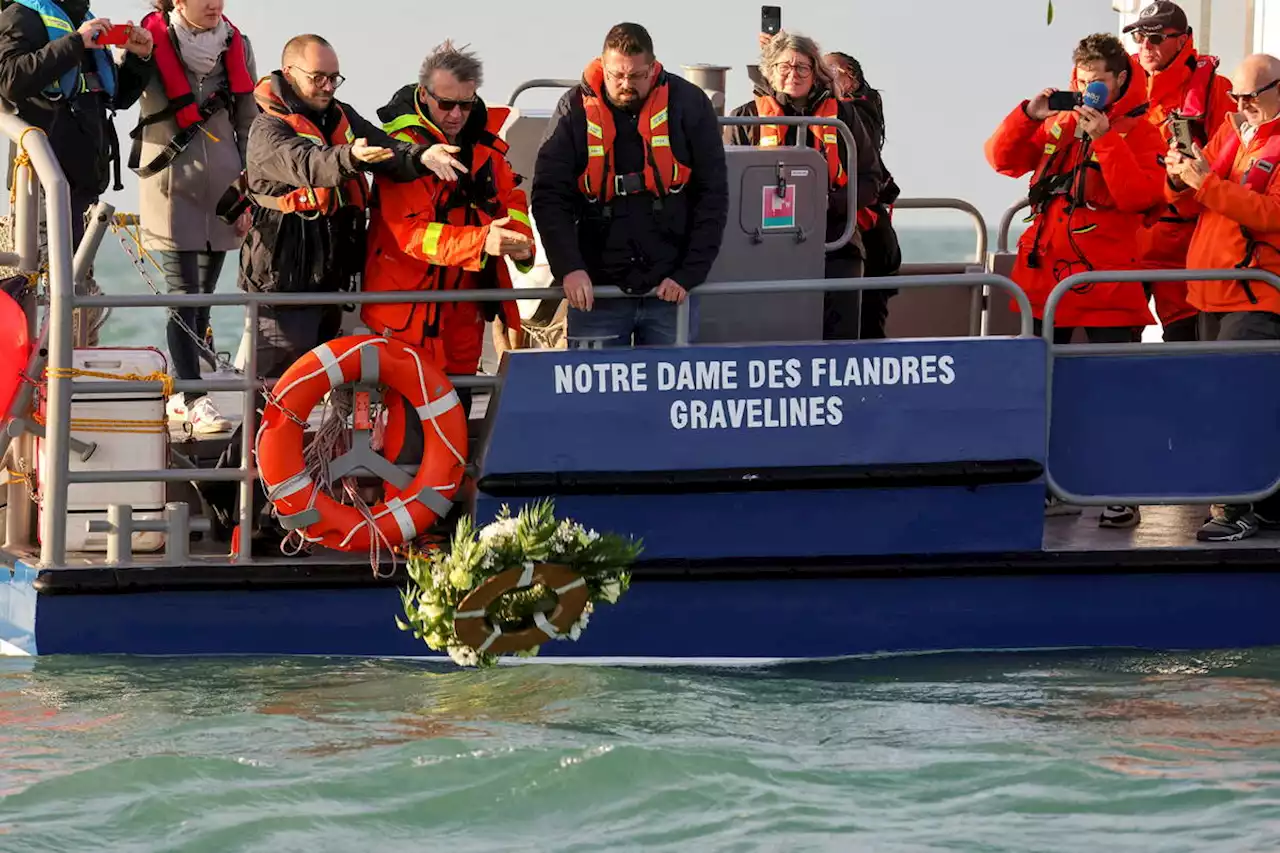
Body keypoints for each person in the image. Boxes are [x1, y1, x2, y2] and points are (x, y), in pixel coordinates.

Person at [203, 33, 462, 553]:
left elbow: (383, 151)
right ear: (290, 73)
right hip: (282, 287)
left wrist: (420, 156)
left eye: (333, 77)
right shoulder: (266, 128)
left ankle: (258, 496)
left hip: (330, 283)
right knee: (274, 405)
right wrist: (349, 158)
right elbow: (307, 164)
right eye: (318, 78)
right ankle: (238, 504)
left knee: (308, 402)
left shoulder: (341, 115)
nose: (327, 86)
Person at [985, 32, 1167, 529]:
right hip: (1048, 284)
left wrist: (1106, 138)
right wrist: (1029, 115)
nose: (1089, 90)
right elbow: (1001, 159)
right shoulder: (1060, 126)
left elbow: (1139, 196)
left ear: (1121, 79)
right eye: (1083, 80)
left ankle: (1119, 491)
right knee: (1043, 393)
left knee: (1115, 394)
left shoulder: (1142, 132)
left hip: (1107, 285)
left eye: (1099, 81)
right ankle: (1051, 486)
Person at [363, 40, 533, 421]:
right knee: (406, 436)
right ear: (424, 94)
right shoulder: (402, 152)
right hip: (408, 317)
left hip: (464, 317)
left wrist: (523, 246)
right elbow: (408, 234)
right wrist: (482, 241)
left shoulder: (487, 148)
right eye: (446, 104)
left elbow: (512, 201)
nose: (456, 114)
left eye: (466, 104)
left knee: (457, 422)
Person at [531, 22, 728, 348]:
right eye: (616, 75)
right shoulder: (574, 109)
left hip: (670, 288)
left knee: (672, 392)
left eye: (636, 76)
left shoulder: (689, 104)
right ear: (603, 66)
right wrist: (569, 268)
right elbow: (550, 196)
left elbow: (713, 195)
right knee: (594, 394)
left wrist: (689, 273)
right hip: (596, 289)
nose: (625, 84)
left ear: (652, 68)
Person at [1166, 53, 1280, 542]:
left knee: (1238, 405)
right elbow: (1187, 196)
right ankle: (1257, 505)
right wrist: (1178, 174)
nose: (1240, 104)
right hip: (1213, 291)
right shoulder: (1235, 134)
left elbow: (1269, 214)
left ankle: (1236, 508)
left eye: (1250, 96)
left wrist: (1206, 184)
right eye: (1235, 95)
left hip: (1255, 295)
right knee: (1226, 404)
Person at [131, 0, 258, 436]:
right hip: (170, 185)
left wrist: (249, 191)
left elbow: (249, 121)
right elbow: (122, 94)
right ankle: (190, 396)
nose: (214, 4)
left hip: (224, 188)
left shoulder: (236, 45)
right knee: (182, 294)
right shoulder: (149, 40)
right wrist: (130, 54)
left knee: (202, 295)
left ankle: (195, 376)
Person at [726, 31, 882, 341]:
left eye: (801, 68)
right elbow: (725, 186)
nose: (792, 74)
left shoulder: (845, 117)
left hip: (835, 245)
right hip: (762, 249)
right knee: (766, 340)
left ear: (815, 73)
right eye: (784, 66)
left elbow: (871, 180)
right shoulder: (744, 119)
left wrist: (827, 203)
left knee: (839, 342)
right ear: (770, 71)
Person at [0, 0, 153, 251]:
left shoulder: (81, 16)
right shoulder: (19, 15)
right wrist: (75, 43)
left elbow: (117, 97)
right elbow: (9, 79)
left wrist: (140, 57)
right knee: (43, 280)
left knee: (77, 282)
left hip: (86, 179)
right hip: (42, 183)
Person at [1126, 0, 1233, 343]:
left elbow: (1229, 164)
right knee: (1112, 352)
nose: (1145, 46)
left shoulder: (1216, 90)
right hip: (1128, 238)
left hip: (1183, 245)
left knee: (1185, 350)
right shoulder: (1119, 82)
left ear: (1183, 39)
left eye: (1156, 39)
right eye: (1140, 36)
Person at [825, 50, 901, 338]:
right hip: (857, 236)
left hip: (870, 238)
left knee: (868, 325)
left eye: (828, 71)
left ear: (850, 77)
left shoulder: (858, 114)